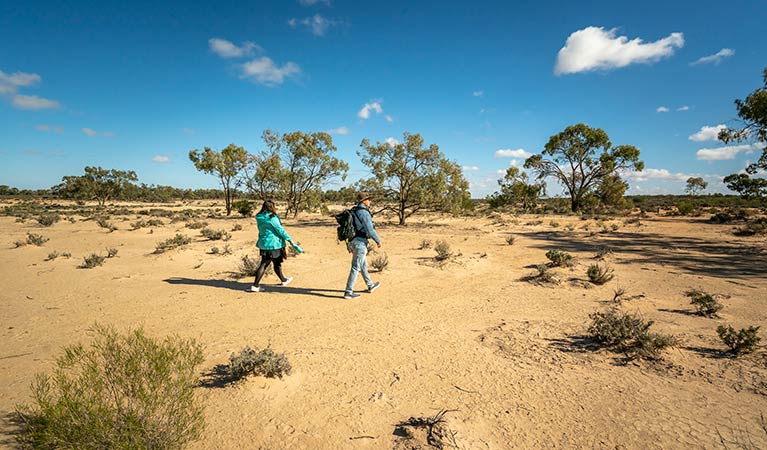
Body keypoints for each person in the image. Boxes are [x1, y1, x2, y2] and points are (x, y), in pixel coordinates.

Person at [249, 200, 296, 292]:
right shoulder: (272, 218)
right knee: (265, 264)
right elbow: (280, 230)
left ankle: (283, 280)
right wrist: (290, 240)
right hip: (273, 244)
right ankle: (255, 286)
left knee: (276, 262)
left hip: (264, 243)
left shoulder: (259, 217)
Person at [343, 192, 381, 299]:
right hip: (360, 242)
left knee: (363, 264)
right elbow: (369, 229)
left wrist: (348, 244)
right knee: (355, 267)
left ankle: (370, 285)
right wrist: (378, 241)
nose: (370, 201)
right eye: (368, 199)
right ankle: (348, 292)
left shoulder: (353, 211)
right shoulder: (364, 213)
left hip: (352, 241)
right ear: (363, 201)